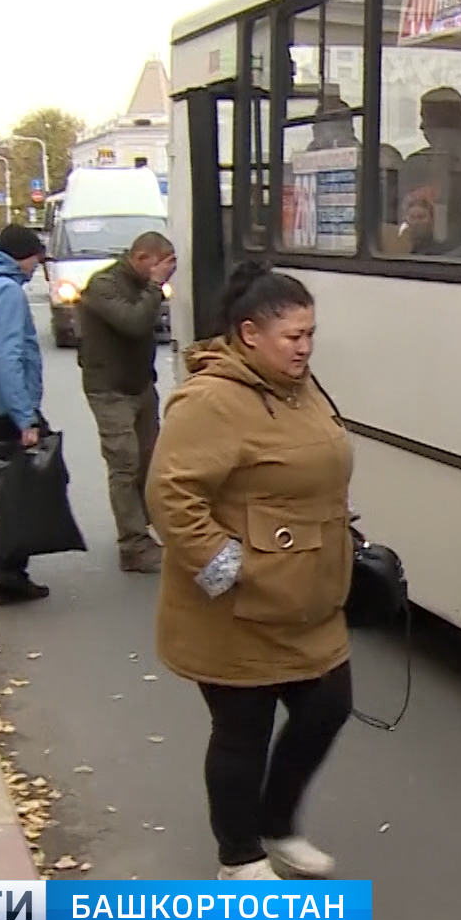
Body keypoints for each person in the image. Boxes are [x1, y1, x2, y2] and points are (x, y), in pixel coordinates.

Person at [146, 261, 354, 882]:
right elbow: (170, 496)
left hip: (306, 597)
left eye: (310, 334)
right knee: (243, 730)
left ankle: (278, 824)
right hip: (237, 608)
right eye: (293, 336)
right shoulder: (211, 401)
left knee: (327, 706)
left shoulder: (300, 387)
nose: (305, 348)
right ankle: (239, 857)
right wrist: (228, 567)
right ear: (248, 334)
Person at [77, 231, 178, 574]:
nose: (167, 272)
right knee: (125, 463)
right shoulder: (103, 285)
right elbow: (133, 323)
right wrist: (155, 286)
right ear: (141, 258)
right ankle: (132, 545)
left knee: (151, 460)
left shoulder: (141, 286)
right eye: (163, 264)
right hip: (109, 389)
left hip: (140, 385)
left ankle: (149, 526)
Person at [0, 224, 52, 605]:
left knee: (18, 491)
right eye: (36, 259)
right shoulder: (7, 292)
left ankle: (11, 578)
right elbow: (8, 355)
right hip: (8, 407)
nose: (37, 267)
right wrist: (25, 417)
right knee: (30, 490)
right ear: (24, 256)